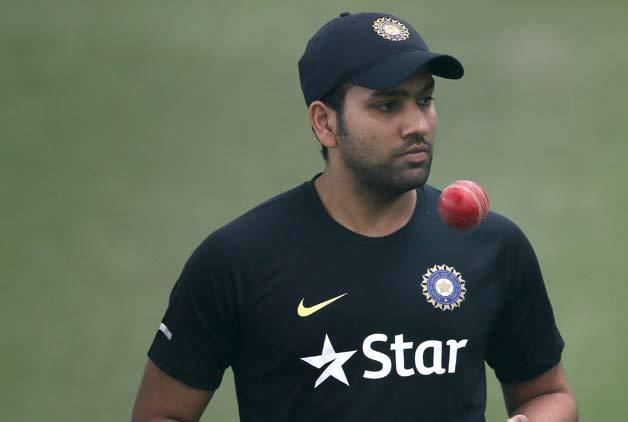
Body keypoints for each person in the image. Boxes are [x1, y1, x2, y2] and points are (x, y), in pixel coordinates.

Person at [132, 11, 577, 422]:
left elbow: (549, 394)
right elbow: (160, 414)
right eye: (388, 105)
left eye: (424, 100)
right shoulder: (238, 259)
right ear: (325, 123)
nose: (418, 125)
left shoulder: (492, 245)